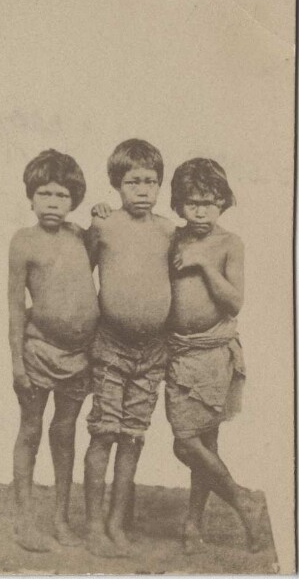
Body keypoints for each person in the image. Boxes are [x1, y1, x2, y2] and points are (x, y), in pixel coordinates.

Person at [166, 158, 262, 554]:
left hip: (213, 352)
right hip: (178, 352)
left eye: (209, 201)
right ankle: (212, 514)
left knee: (194, 443)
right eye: (192, 203)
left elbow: (234, 302)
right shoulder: (172, 238)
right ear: (179, 205)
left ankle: (216, 512)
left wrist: (205, 264)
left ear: (223, 201)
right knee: (198, 446)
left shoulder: (228, 244)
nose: (200, 211)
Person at [84, 138, 174, 557]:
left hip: (153, 352)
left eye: (151, 182)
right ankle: (94, 525)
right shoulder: (104, 226)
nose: (143, 190)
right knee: (104, 432)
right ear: (116, 185)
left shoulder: (168, 230)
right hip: (110, 348)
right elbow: (78, 271)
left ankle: (118, 523)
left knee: (133, 438)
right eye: (133, 181)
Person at [8, 149, 99, 552]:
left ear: (73, 200)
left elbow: (94, 266)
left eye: (62, 196)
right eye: (44, 194)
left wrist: (100, 219)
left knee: (64, 432)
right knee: (31, 429)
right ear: (30, 197)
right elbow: (13, 306)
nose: (52, 203)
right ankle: (26, 520)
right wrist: (17, 363)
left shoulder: (79, 236)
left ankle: (61, 517)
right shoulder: (23, 242)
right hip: (38, 351)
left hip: (79, 355)